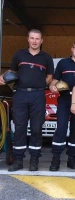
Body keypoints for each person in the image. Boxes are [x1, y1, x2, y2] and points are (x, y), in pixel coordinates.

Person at [0, 29, 54, 171]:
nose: (35, 41)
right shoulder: (19, 55)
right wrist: (3, 77)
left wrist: (42, 84)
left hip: (38, 95)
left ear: (42, 41)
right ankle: (18, 161)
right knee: (19, 127)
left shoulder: (46, 58)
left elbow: (50, 76)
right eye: (32, 38)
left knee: (36, 128)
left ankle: (34, 160)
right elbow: (12, 72)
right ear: (28, 39)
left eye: (37, 38)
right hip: (21, 95)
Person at [48, 39, 75, 171]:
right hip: (64, 99)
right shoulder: (63, 63)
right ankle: (55, 159)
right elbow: (54, 81)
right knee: (61, 128)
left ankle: (71, 159)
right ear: (72, 49)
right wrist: (51, 86)